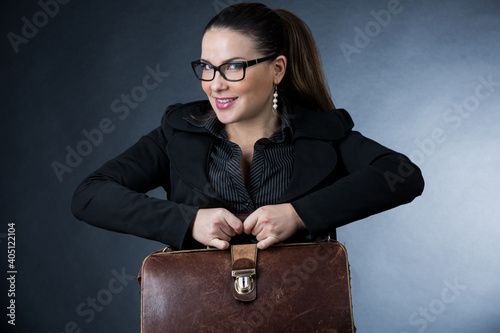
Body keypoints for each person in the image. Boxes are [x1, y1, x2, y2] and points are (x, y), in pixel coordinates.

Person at [71, 2, 424, 251]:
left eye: (233, 67)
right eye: (206, 67)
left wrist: (300, 215)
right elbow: (90, 195)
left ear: (277, 69)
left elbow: (403, 174)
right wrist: (187, 221)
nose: (215, 84)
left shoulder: (322, 134)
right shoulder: (178, 132)